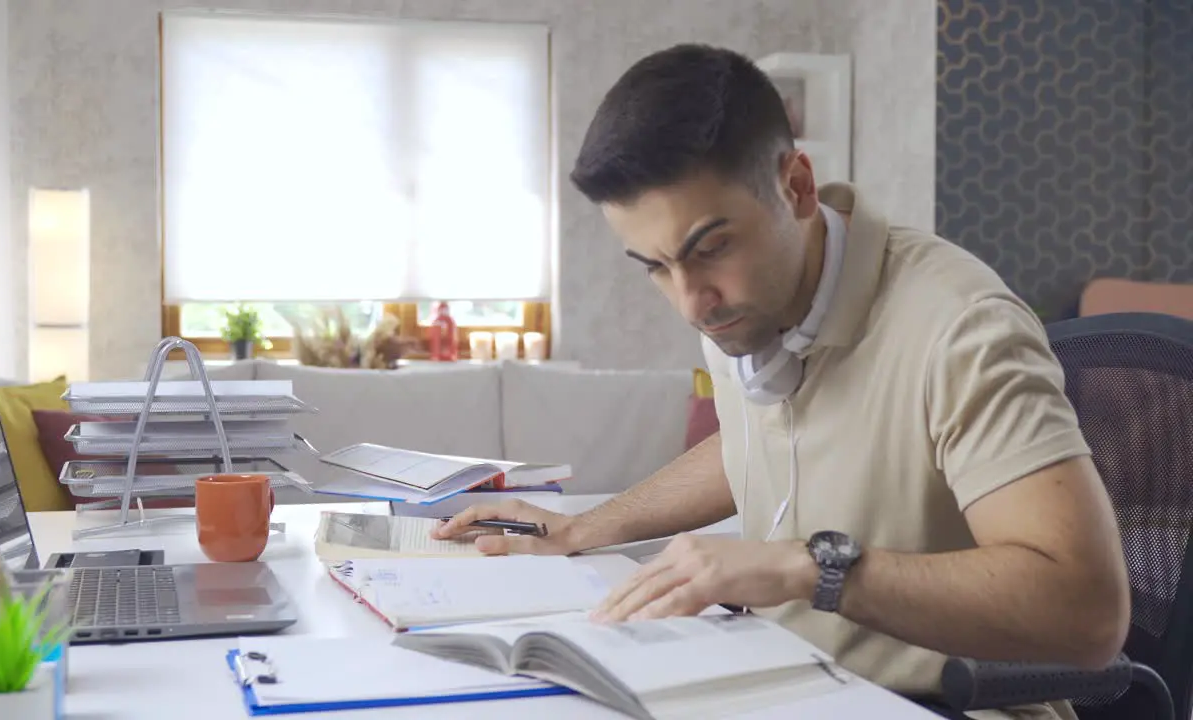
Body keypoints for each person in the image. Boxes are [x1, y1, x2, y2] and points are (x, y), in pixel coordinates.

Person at [432, 44, 1129, 720]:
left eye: (710, 248)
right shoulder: (745, 305)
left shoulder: (959, 328)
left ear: (796, 185)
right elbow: (751, 440)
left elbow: (1088, 614)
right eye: (655, 266)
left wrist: (810, 567)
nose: (690, 302)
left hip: (932, 703)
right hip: (782, 681)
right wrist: (584, 530)